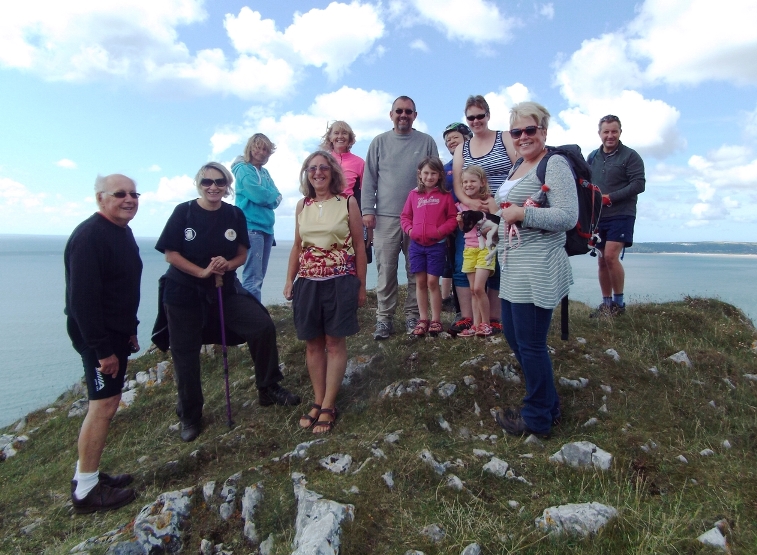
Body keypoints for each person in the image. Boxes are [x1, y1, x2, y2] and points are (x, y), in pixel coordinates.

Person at [155, 162, 299, 443]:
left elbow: (242, 255)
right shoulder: (183, 212)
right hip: (184, 293)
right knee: (185, 354)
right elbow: (170, 254)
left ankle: (268, 387)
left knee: (262, 327)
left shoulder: (234, 214)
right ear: (199, 184)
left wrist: (226, 264)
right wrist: (202, 272)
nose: (213, 187)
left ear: (227, 185)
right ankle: (190, 414)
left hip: (224, 289)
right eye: (207, 182)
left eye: (220, 182)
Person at [494, 102, 578, 438]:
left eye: (531, 130)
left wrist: (522, 215)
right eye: (517, 132)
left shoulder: (553, 164)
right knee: (516, 338)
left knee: (529, 343)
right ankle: (549, 405)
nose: (524, 136)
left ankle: (537, 418)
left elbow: (567, 217)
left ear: (544, 130)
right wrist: (495, 228)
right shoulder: (519, 164)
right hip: (514, 266)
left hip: (538, 267)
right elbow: (510, 213)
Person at [65, 174, 142, 513]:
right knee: (104, 405)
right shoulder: (90, 236)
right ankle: (85, 490)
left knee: (106, 404)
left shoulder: (121, 232)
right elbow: (81, 301)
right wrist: (102, 351)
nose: (129, 199)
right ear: (100, 198)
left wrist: (130, 329)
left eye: (134, 194)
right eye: (120, 194)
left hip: (115, 333)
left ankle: (90, 475)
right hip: (99, 337)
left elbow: (121, 288)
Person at [284, 151, 366, 433]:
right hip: (307, 283)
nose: (317, 172)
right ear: (306, 173)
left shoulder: (347, 202)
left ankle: (330, 404)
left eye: (323, 168)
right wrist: (288, 280)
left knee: (334, 343)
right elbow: (298, 246)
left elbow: (359, 245)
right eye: (311, 168)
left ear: (332, 172)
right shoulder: (302, 205)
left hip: (339, 281)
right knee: (312, 343)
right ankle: (318, 400)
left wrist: (361, 285)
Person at [362, 95, 439, 339]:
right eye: (399, 111)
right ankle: (384, 319)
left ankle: (413, 316)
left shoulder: (426, 141)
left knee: (416, 271)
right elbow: (369, 179)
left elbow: (435, 177)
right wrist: (367, 211)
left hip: (421, 219)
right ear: (391, 114)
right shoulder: (379, 142)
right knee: (386, 270)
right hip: (385, 218)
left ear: (415, 115)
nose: (403, 115)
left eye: (408, 111)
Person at [452, 95, 518, 335]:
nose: (476, 121)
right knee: (465, 264)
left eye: (480, 116)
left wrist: (497, 203)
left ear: (488, 115)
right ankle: (471, 318)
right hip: (472, 216)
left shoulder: (505, 138)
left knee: (498, 265)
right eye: (471, 117)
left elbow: (518, 168)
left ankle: (495, 317)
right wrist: (471, 204)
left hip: (501, 211)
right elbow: (459, 184)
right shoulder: (463, 147)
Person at [588, 114, 646, 317]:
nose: (610, 135)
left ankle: (619, 304)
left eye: (614, 131)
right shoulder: (593, 157)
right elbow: (586, 183)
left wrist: (610, 197)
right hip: (598, 216)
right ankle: (606, 304)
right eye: (606, 131)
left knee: (611, 255)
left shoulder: (631, 156)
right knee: (602, 259)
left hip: (622, 214)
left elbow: (639, 184)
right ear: (599, 133)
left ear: (620, 132)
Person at [400, 156, 457, 336]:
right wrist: (410, 231)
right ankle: (423, 319)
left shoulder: (445, 196)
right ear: (420, 174)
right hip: (416, 245)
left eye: (433, 173)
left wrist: (440, 232)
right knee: (421, 282)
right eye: (426, 173)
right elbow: (405, 217)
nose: (429, 176)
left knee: (433, 282)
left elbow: (453, 219)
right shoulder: (413, 194)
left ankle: (436, 319)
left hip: (436, 246)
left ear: (440, 175)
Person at [232, 133, 282, 302]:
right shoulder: (243, 171)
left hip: (267, 228)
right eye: (258, 148)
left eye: (266, 150)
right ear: (250, 148)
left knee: (258, 276)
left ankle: (254, 314)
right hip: (251, 227)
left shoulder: (265, 172)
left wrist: (270, 197)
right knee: (252, 278)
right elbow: (259, 195)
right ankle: (252, 318)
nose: (262, 152)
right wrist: (270, 197)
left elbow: (278, 196)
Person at [455, 165, 499, 337]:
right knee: (473, 289)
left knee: (480, 288)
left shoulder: (489, 201)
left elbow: (498, 224)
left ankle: (486, 324)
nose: (468, 185)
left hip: (486, 249)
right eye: (465, 182)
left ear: (482, 182)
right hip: (469, 249)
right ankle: (475, 325)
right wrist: (460, 222)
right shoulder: (461, 205)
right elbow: (464, 230)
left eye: (472, 181)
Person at [441, 122, 473, 328]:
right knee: (458, 266)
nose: (451, 142)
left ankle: (487, 313)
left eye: (455, 138)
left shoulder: (478, 163)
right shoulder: (445, 169)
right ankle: (462, 312)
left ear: (467, 138)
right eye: (447, 140)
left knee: (484, 267)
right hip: (455, 225)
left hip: (482, 222)